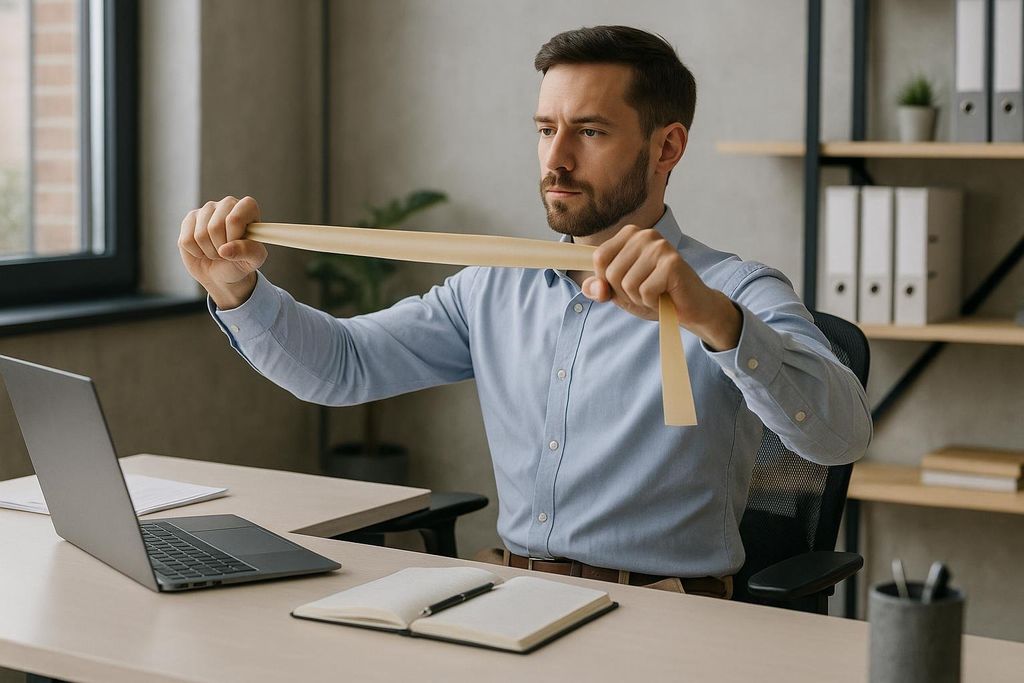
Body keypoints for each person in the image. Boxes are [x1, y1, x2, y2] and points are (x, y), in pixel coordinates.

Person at [178, 25, 872, 599]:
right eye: (546, 129)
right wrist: (238, 290)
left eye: (590, 132)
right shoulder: (492, 286)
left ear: (667, 147)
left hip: (667, 616)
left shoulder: (734, 288)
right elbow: (343, 365)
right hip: (509, 597)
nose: (556, 159)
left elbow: (841, 434)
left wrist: (716, 322)